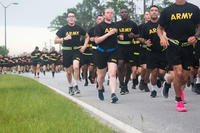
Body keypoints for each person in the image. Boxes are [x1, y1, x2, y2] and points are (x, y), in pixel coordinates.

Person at [157, 0, 200, 112]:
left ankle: (169, 84)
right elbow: (159, 29)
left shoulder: (194, 9)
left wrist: (195, 36)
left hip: (188, 46)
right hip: (173, 46)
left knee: (185, 77)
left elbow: (199, 27)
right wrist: (162, 38)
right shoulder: (167, 11)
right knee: (178, 72)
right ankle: (179, 100)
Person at [54, 11, 89, 95]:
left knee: (76, 67)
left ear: (75, 19)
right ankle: (70, 86)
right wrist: (64, 39)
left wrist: (84, 46)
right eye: (69, 16)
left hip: (76, 51)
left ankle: (75, 85)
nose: (71, 18)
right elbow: (55, 41)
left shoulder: (78, 28)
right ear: (67, 19)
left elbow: (87, 36)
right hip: (66, 51)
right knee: (69, 72)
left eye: (73, 16)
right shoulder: (63, 29)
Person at [141, 5, 167, 98]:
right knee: (154, 71)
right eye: (152, 10)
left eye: (156, 10)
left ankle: (160, 79)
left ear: (158, 13)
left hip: (163, 51)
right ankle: (154, 89)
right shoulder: (145, 26)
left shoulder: (163, 24)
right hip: (151, 52)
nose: (154, 12)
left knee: (161, 72)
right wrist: (145, 41)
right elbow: (141, 38)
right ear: (149, 12)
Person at [94, 8, 119, 103]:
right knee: (101, 76)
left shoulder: (116, 26)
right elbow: (96, 41)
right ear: (104, 15)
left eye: (111, 13)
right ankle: (100, 88)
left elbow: (119, 35)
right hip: (101, 52)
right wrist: (108, 34)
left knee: (112, 73)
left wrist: (120, 36)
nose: (110, 14)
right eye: (107, 13)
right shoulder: (99, 27)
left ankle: (113, 94)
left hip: (113, 52)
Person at [116, 9, 139, 95]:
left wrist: (134, 35)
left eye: (125, 12)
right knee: (120, 64)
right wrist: (118, 36)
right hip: (120, 47)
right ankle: (121, 85)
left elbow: (138, 35)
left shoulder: (133, 24)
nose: (124, 13)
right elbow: (112, 35)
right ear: (120, 14)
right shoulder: (117, 24)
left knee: (129, 67)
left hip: (130, 46)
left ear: (128, 14)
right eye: (122, 12)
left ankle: (125, 84)